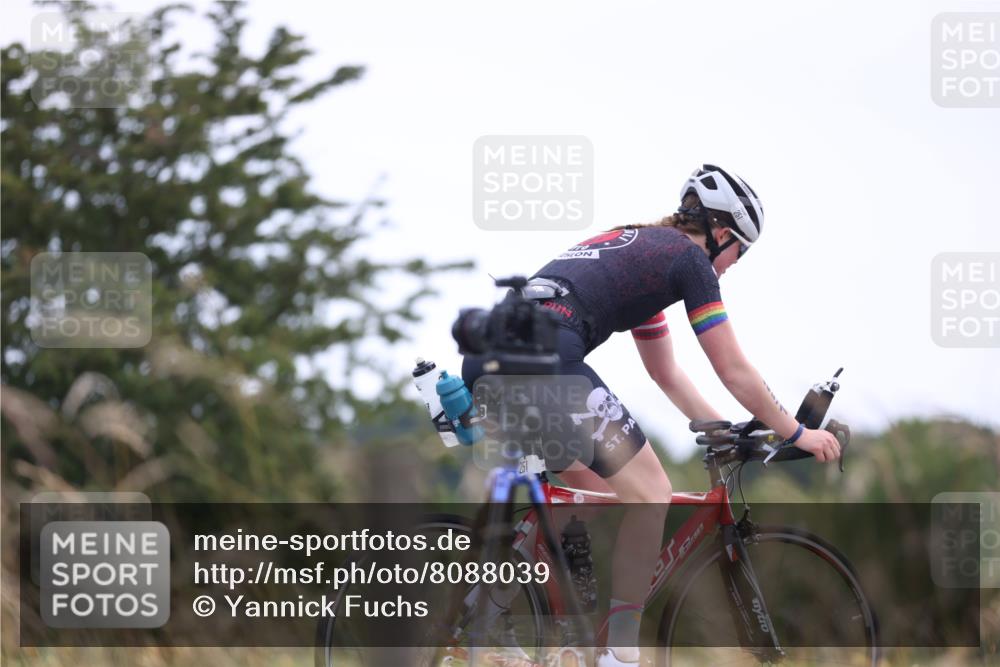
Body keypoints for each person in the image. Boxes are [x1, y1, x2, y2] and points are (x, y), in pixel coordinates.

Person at [461, 164, 842, 667]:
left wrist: (726, 430)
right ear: (721, 233)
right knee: (652, 492)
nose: (734, 264)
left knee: (591, 494)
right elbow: (732, 368)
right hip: (546, 365)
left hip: (489, 359)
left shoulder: (642, 250)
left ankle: (489, 623)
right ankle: (620, 656)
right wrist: (795, 432)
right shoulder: (689, 260)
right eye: (740, 251)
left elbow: (666, 374)